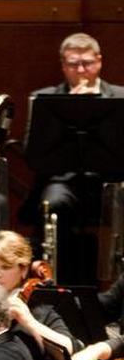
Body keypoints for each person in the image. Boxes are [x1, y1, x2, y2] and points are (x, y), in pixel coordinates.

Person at [25, 32, 123, 284]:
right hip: (63, 180)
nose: (81, 70)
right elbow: (34, 152)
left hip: (110, 179)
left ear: (99, 61)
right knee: (54, 202)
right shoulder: (44, 98)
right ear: (63, 65)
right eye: (73, 64)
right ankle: (59, 283)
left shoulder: (119, 97)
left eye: (87, 63)